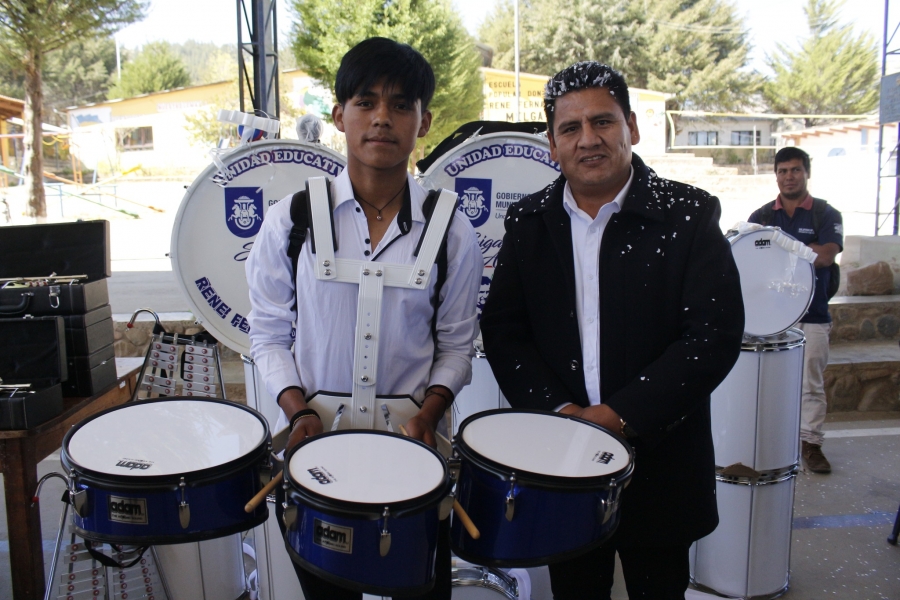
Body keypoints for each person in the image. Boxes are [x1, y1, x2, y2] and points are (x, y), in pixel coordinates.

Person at [479, 62, 745, 599]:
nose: (588, 139)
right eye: (570, 128)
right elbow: (505, 333)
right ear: (552, 145)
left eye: (602, 121)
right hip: (562, 467)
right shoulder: (528, 224)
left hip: (662, 467)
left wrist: (618, 416)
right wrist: (561, 413)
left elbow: (711, 335)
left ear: (632, 128)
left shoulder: (688, 216)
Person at [246, 37, 482, 600]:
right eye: (366, 102)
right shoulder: (292, 220)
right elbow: (269, 334)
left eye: (401, 105)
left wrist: (430, 414)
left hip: (415, 461)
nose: (382, 118)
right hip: (314, 456)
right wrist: (298, 411)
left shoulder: (451, 230)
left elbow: (456, 347)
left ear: (424, 122)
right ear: (339, 115)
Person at [748, 147, 843, 474]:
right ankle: (771, 444)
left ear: (807, 173)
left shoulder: (826, 214)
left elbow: (826, 256)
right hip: (770, 319)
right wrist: (803, 251)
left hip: (813, 315)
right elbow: (749, 260)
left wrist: (782, 249)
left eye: (795, 170)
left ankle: (811, 444)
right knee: (768, 383)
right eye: (783, 171)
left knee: (810, 384)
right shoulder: (761, 216)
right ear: (776, 175)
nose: (789, 176)